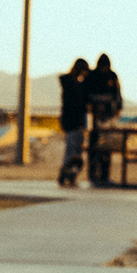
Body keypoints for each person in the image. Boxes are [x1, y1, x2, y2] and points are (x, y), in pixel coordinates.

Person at [84, 53, 123, 187]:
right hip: (95, 118)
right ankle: (93, 176)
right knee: (95, 147)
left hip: (109, 117)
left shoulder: (112, 76)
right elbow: (87, 95)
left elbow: (118, 93)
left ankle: (105, 176)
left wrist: (118, 108)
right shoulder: (92, 76)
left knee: (107, 147)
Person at [58, 57, 90, 187]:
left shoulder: (69, 83)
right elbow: (78, 104)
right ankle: (67, 173)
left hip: (71, 121)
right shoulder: (74, 86)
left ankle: (68, 174)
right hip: (74, 121)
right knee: (73, 151)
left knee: (72, 150)